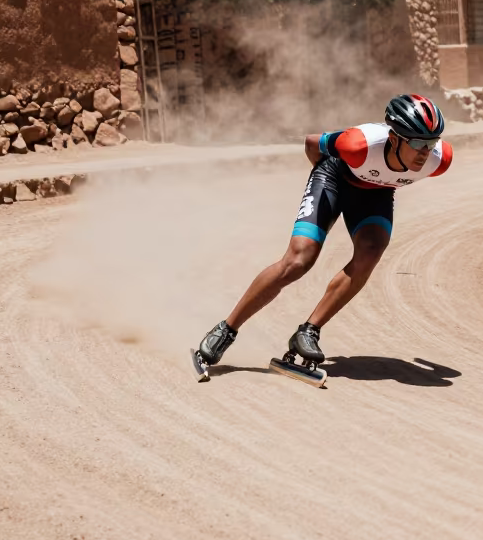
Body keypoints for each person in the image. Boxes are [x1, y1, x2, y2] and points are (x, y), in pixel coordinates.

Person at [193, 93, 453, 374]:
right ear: (393, 138)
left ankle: (308, 331)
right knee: (297, 262)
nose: (425, 151)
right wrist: (320, 181)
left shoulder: (440, 160)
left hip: (375, 194)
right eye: (417, 142)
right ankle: (226, 330)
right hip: (332, 178)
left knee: (370, 253)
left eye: (431, 142)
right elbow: (311, 143)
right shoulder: (358, 144)